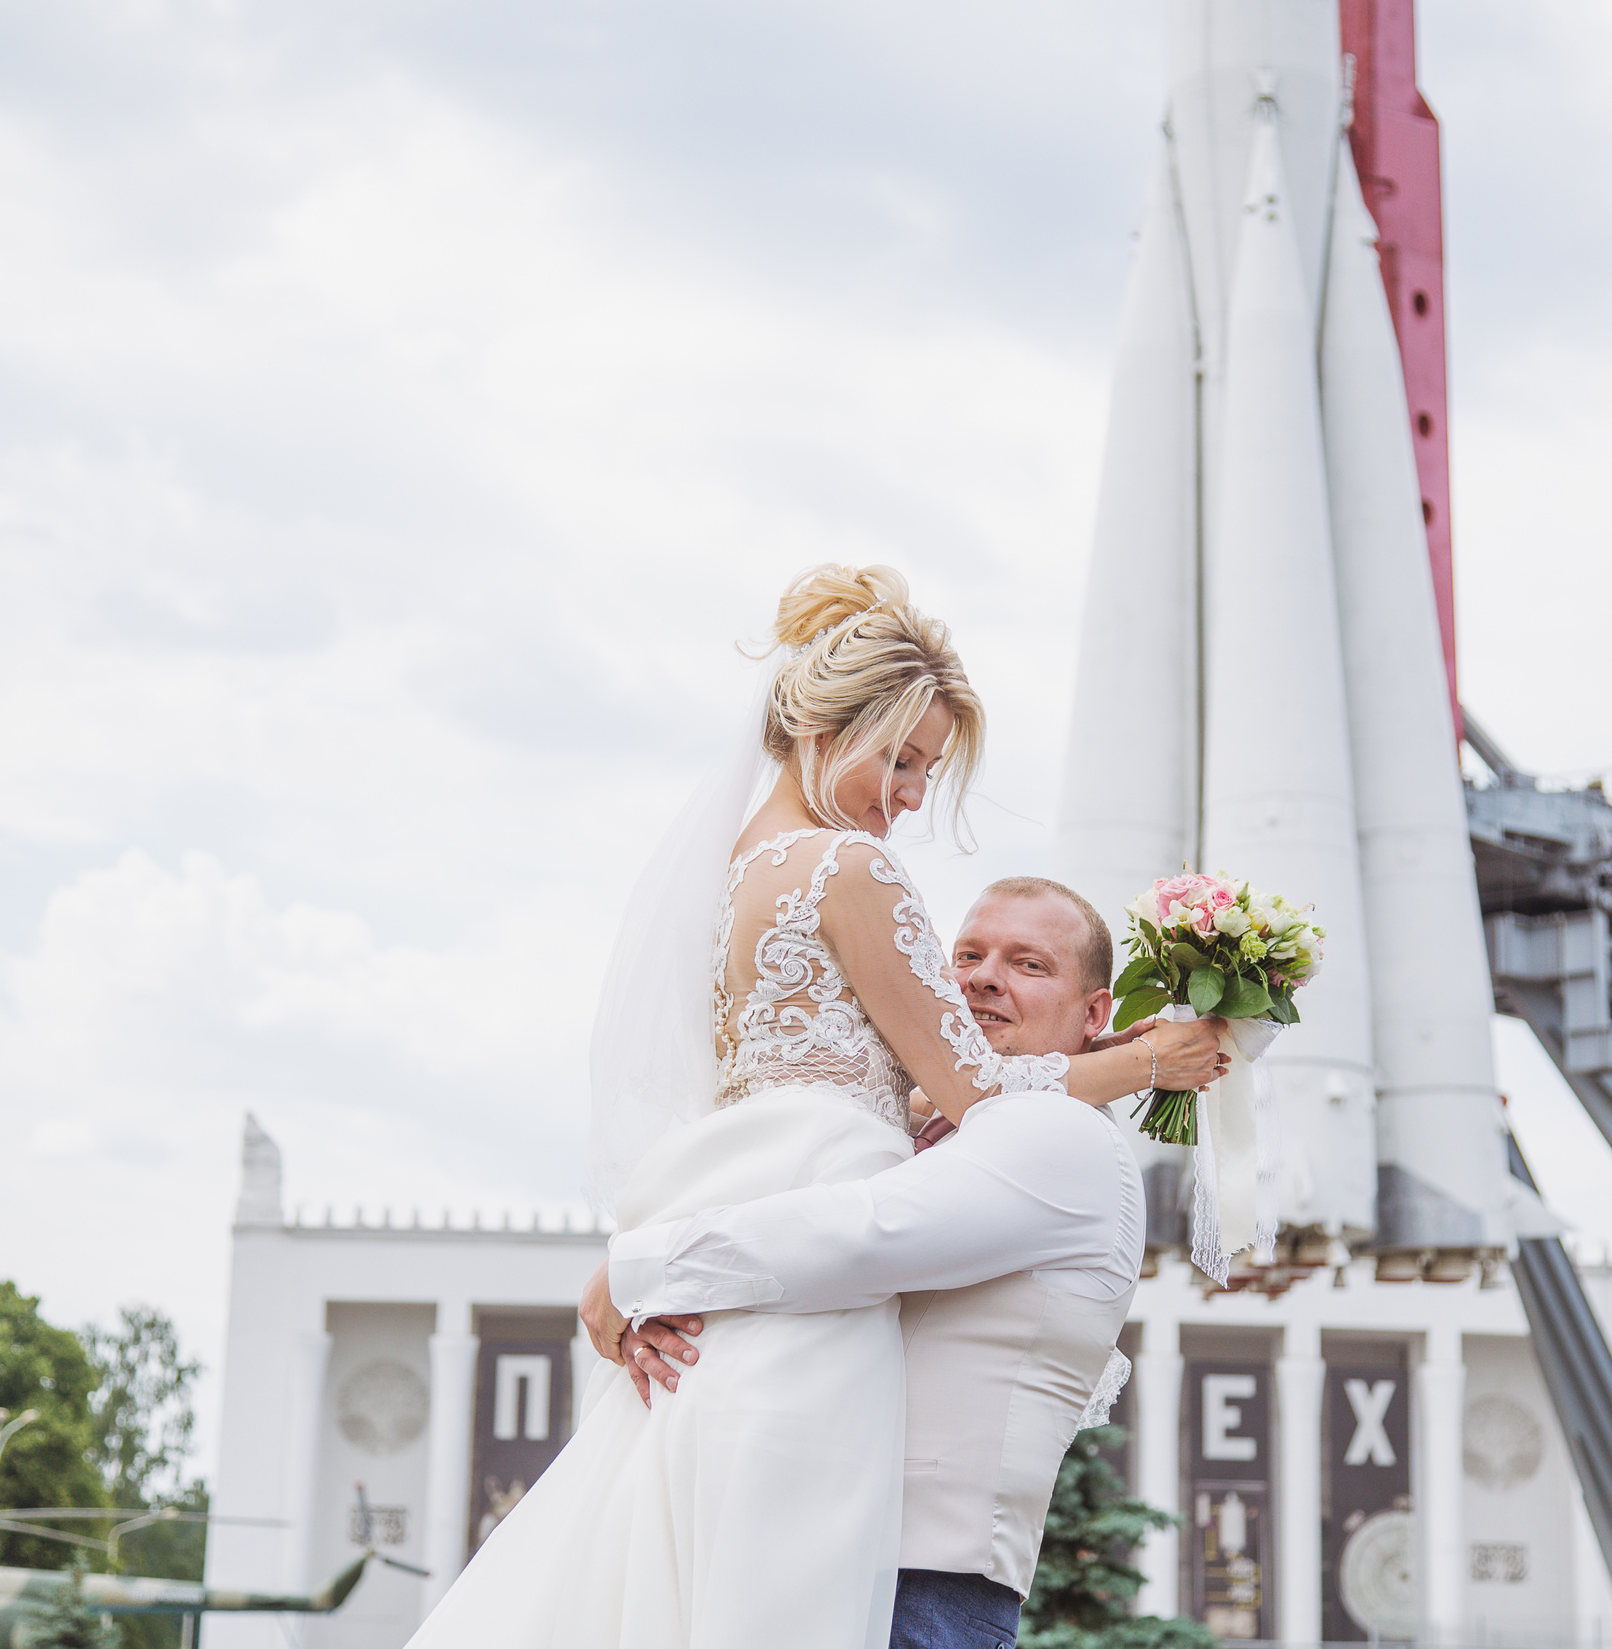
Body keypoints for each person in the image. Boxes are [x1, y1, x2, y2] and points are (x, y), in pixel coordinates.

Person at [402, 565, 1224, 1649]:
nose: (911, 795)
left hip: (735, 1202)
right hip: (812, 1237)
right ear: (821, 729)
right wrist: (1142, 1067)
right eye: (900, 759)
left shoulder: (724, 875)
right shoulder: (850, 871)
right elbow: (970, 1094)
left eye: (924, 769)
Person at [581, 876, 1164, 1649]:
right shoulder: (928, 1128)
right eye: (967, 954)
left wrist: (640, 1268)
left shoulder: (1063, 1137)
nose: (984, 975)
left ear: (1095, 1014)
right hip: (817, 1562)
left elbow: (863, 1235)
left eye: (1028, 964)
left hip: (918, 1592)